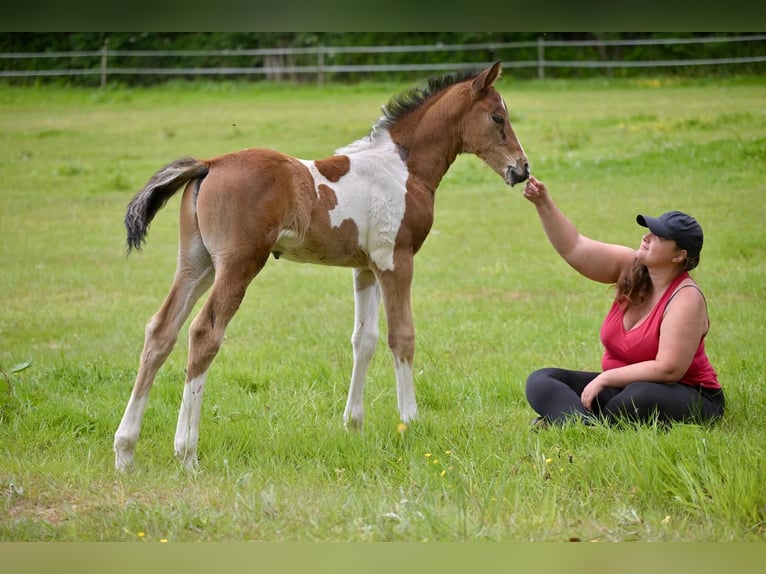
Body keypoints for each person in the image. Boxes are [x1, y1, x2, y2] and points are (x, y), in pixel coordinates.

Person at [523, 175, 724, 427]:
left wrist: (605, 379)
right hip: (622, 387)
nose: (647, 237)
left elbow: (669, 370)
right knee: (541, 380)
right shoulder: (631, 268)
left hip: (689, 394)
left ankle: (571, 422)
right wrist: (543, 202)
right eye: (650, 230)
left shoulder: (686, 297)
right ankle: (580, 424)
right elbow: (574, 247)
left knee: (638, 396)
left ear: (679, 256)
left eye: (659, 236)